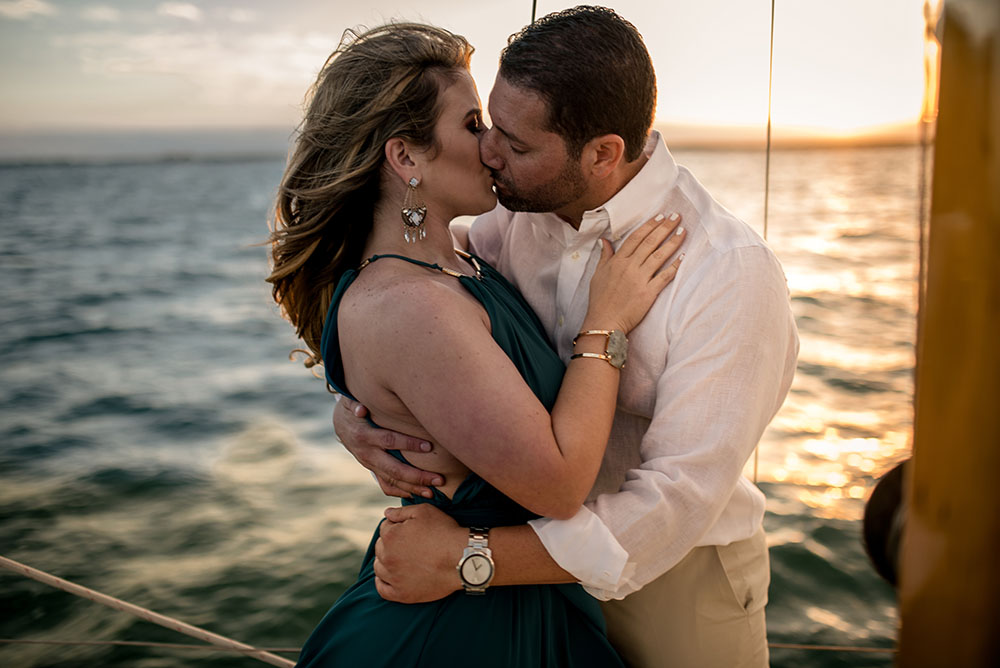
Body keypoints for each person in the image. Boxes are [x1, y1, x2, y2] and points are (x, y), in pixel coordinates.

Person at [333, 6, 799, 668]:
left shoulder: (727, 271)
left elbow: (677, 499)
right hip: (527, 582)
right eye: (490, 127)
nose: (489, 152)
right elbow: (412, 309)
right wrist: (360, 412)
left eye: (517, 146)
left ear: (603, 152)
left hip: (677, 585)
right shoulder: (511, 220)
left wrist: (471, 559)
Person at [266, 22, 686, 667]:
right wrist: (607, 321)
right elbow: (558, 487)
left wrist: (356, 416)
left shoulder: (465, 260)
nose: (492, 146)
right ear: (406, 159)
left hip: (507, 598)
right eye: (471, 125)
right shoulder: (411, 304)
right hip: (457, 630)